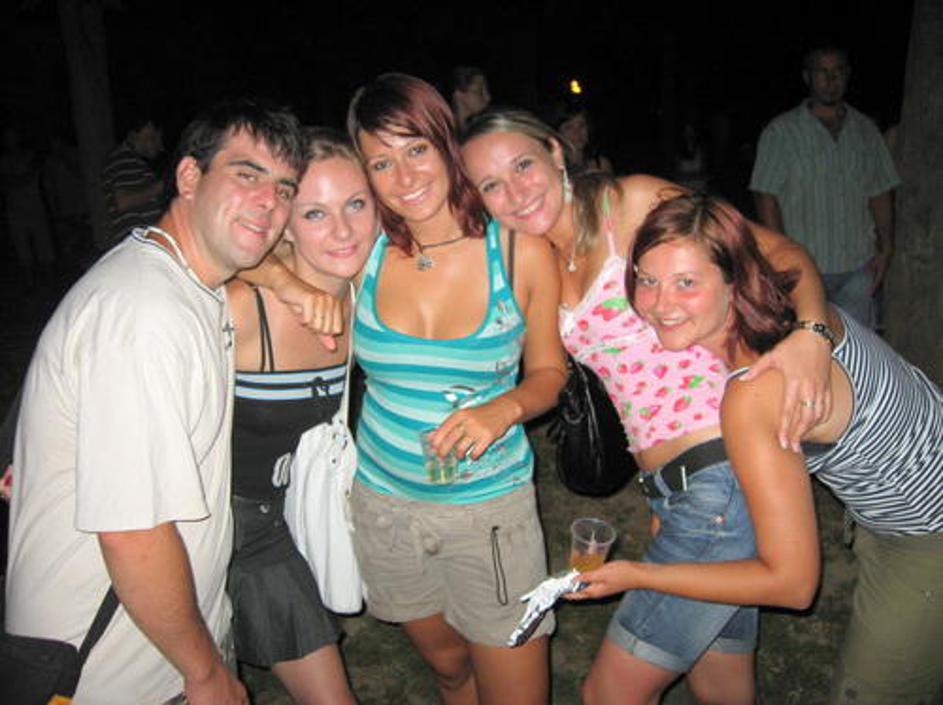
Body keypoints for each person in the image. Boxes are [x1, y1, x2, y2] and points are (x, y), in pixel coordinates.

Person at [460, 109, 833, 704]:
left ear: (555, 152)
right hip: (675, 486)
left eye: (523, 165)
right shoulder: (540, 259)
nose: (516, 192)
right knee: (720, 685)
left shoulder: (629, 204)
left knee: (607, 694)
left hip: (724, 474)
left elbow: (779, 253)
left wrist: (812, 334)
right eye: (491, 184)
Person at [573, 191, 943, 705]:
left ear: (734, 279)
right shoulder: (796, 317)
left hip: (928, 532)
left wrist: (638, 574)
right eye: (647, 280)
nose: (659, 304)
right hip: (883, 513)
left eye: (686, 283)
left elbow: (793, 585)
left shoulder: (756, 389)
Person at [5, 99, 306, 705]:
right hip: (106, 670)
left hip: (152, 648)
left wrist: (283, 278)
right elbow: (133, 531)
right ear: (189, 176)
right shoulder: (146, 314)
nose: (269, 202)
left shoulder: (187, 283)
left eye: (284, 188)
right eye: (247, 174)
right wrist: (204, 671)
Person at [347, 73, 566, 705]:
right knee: (448, 670)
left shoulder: (517, 251)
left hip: (488, 512)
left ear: (446, 143)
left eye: (416, 149)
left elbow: (550, 374)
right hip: (384, 505)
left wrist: (504, 408)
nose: (404, 176)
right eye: (381, 162)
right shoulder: (362, 251)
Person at [226, 128, 372, 705]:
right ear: (283, 224)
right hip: (218, 525)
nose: (343, 230)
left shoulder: (368, 293)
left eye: (356, 204)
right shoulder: (240, 308)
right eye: (315, 213)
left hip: (284, 523)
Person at [750, 42, 900, 329]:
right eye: (822, 72)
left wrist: (887, 246)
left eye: (838, 72)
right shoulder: (781, 132)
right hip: (804, 267)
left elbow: (880, 190)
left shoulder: (865, 131)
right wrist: (780, 254)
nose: (831, 80)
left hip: (858, 266)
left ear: (848, 75)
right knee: (810, 342)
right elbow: (765, 194)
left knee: (854, 346)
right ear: (807, 76)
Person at [101, 119, 166, 245]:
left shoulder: (133, 162)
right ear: (146, 129)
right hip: (140, 244)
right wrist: (161, 186)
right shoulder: (123, 159)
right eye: (156, 137)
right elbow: (123, 201)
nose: (161, 147)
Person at [551, 104, 612, 174]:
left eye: (582, 125)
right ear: (558, 132)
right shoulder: (552, 165)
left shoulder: (600, 165)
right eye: (569, 127)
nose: (577, 132)